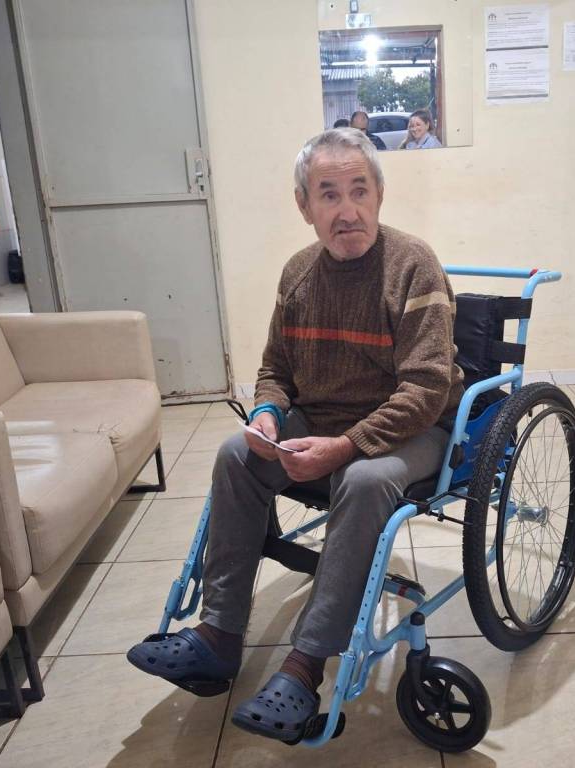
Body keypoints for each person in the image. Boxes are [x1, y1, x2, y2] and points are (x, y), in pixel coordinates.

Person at [127, 127, 463, 743]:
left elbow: (426, 387)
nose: (347, 209)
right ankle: (219, 634)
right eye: (328, 194)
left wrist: (345, 447)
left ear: (379, 196)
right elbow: (275, 370)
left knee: (363, 479)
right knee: (236, 454)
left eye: (359, 191)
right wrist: (266, 415)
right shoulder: (299, 274)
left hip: (412, 425)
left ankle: (306, 665)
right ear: (304, 206)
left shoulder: (413, 266)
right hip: (322, 418)